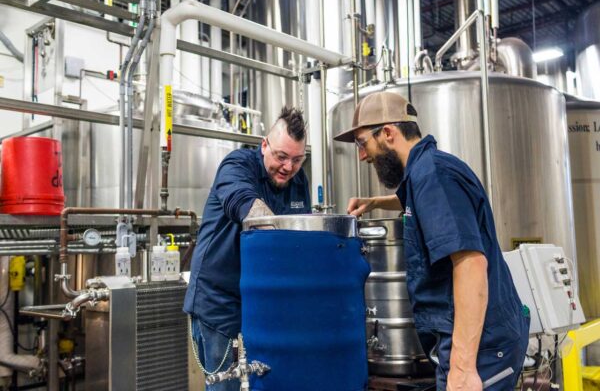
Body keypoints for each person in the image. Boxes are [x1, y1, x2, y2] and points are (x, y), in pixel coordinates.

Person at [334, 91, 529, 391]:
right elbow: (416, 203)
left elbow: (471, 264)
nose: (362, 155)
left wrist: (463, 369)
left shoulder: (433, 176)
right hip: (470, 343)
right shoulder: (424, 174)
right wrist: (374, 203)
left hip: (480, 349)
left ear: (388, 132)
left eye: (363, 143)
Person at [184, 107, 311, 390]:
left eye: (297, 159)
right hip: (220, 303)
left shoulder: (297, 180)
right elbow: (246, 206)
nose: (288, 167)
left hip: (264, 303)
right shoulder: (237, 165)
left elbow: (305, 231)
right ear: (264, 145)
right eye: (281, 156)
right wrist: (280, 237)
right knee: (226, 386)